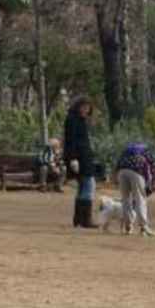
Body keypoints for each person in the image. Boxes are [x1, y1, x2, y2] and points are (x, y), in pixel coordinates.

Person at [63, 97, 98, 228]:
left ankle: (78, 219)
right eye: (84, 107)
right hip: (79, 158)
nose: (86, 110)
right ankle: (86, 219)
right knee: (89, 185)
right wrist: (72, 158)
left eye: (88, 108)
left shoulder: (81, 120)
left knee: (82, 187)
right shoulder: (72, 119)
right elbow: (70, 140)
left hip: (84, 157)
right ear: (78, 106)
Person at [115, 142, 155, 237]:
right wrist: (152, 184)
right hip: (136, 171)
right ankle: (144, 228)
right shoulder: (147, 151)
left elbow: (118, 163)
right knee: (140, 199)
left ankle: (128, 227)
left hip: (121, 171)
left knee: (126, 200)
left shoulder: (127, 149)